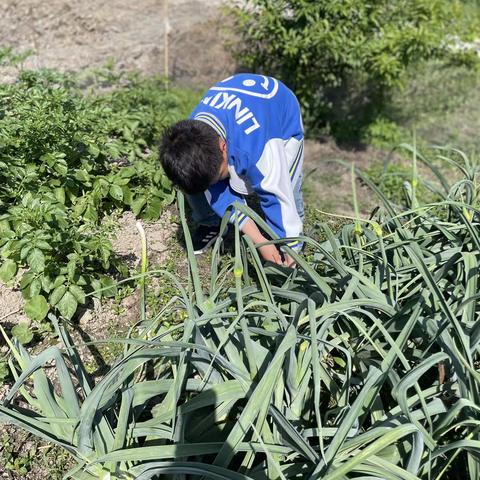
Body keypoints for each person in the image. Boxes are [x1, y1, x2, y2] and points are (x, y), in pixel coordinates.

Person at [159, 73, 304, 266]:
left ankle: (297, 239)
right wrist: (260, 241)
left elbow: (276, 195)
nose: (218, 183)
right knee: (196, 183)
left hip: (281, 113)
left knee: (287, 189)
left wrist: (288, 247)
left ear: (223, 146)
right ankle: (210, 222)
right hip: (239, 107)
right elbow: (217, 191)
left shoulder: (260, 149)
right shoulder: (191, 136)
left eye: (219, 175)